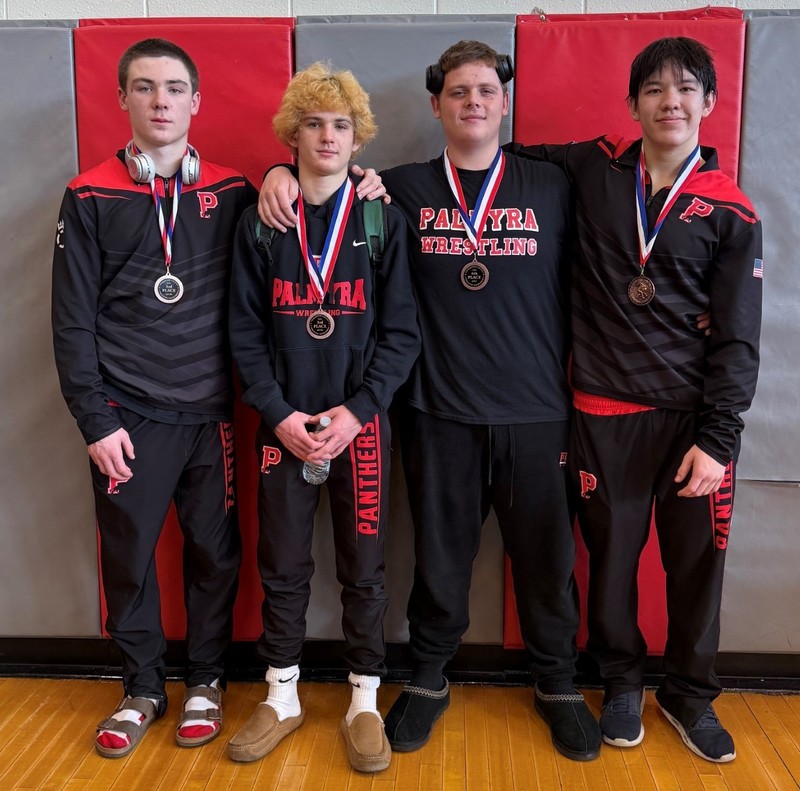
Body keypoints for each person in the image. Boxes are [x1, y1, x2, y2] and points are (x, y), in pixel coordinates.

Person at [259, 40, 602, 763]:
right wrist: (274, 174)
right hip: (437, 408)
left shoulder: (554, 182)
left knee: (547, 556)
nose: (472, 101)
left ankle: (558, 683)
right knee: (440, 559)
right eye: (457, 91)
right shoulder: (400, 189)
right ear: (436, 104)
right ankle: (427, 676)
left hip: (537, 409)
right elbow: (322, 177)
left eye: (485, 89)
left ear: (505, 101)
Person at [506, 36, 762, 763]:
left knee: (695, 567)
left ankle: (690, 691)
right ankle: (620, 680)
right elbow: (497, 159)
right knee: (612, 560)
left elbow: (739, 336)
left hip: (692, 425)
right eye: (654, 89)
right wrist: (288, 167)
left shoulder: (731, 210)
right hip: (603, 412)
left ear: (709, 103)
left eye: (685, 89)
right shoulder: (594, 164)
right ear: (633, 103)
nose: (670, 101)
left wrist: (720, 439)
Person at [52, 38, 256, 758]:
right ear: (123, 100)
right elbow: (70, 323)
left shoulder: (234, 192)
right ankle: (140, 684)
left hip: (211, 416)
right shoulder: (90, 194)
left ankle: (206, 679)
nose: (160, 100)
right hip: (126, 420)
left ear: (197, 102)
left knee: (214, 554)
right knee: (129, 557)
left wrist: (301, 174)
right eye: (144, 88)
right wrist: (94, 420)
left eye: (174, 88)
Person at [226, 63, 420, 773]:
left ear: (357, 135)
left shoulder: (380, 219)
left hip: (358, 425)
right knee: (282, 562)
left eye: (341, 124)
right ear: (293, 133)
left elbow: (403, 332)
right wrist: (276, 413)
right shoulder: (262, 221)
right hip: (283, 424)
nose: (328, 135)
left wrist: (359, 409)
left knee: (364, 568)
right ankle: (281, 694)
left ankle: (364, 698)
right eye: (314, 123)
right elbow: (242, 332)